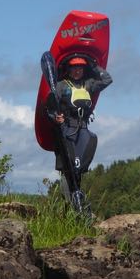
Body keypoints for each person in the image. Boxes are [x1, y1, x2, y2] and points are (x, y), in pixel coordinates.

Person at [48, 54, 112, 190]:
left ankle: (77, 196)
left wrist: (93, 65)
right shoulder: (61, 85)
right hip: (67, 128)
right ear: (69, 69)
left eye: (80, 68)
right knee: (68, 166)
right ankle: (67, 200)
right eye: (74, 68)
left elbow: (107, 79)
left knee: (80, 166)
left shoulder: (88, 84)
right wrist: (55, 116)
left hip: (83, 128)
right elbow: (49, 106)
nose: (77, 71)